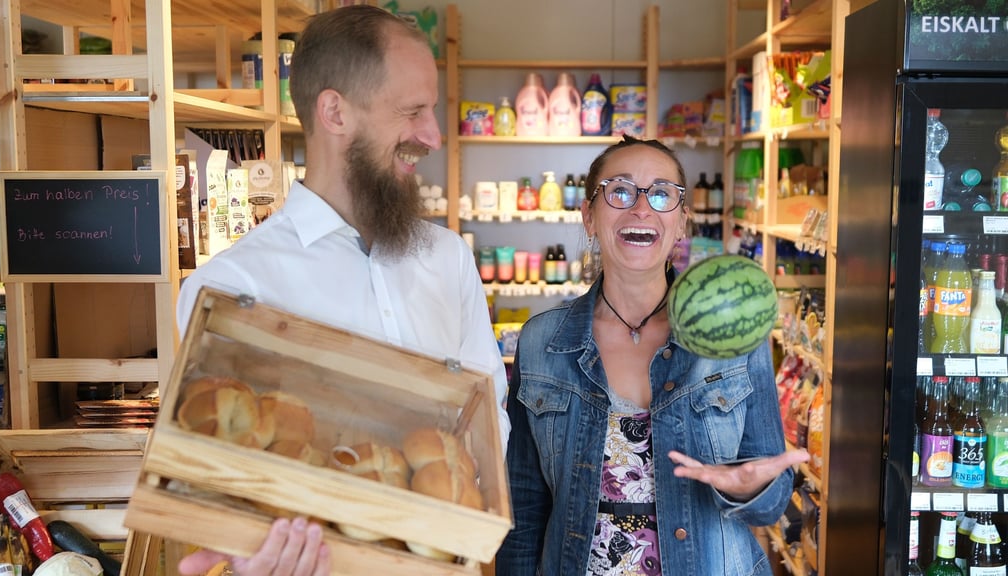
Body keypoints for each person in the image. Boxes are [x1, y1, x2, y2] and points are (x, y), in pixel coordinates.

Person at [175, 5, 510, 575]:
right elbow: (221, 490)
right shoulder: (233, 286)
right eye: (413, 112)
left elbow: (487, 427)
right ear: (334, 111)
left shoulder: (447, 258)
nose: (432, 135)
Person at [494, 136, 809, 576]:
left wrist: (748, 489)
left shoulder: (733, 338)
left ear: (681, 222)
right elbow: (523, 507)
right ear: (589, 216)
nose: (641, 208)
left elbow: (772, 502)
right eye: (620, 191)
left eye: (661, 194)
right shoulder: (542, 341)